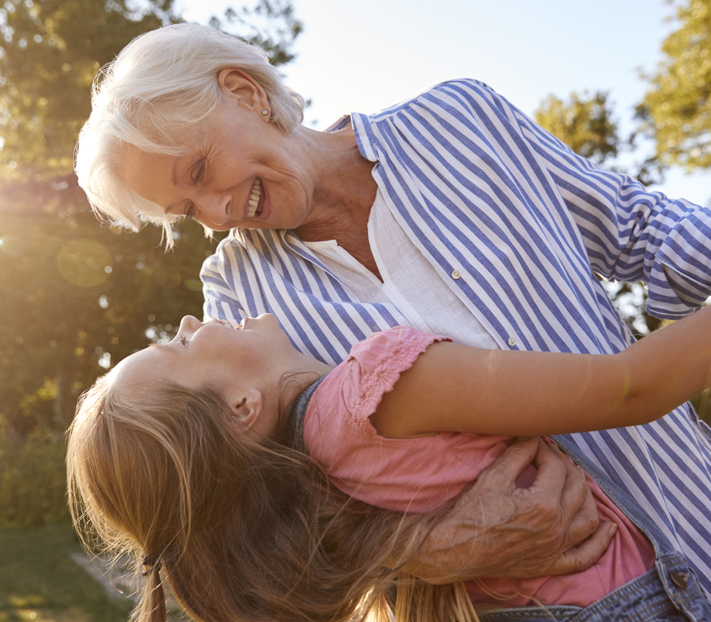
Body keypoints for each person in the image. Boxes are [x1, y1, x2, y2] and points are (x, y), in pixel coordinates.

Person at [74, 22, 711, 597]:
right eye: (188, 211)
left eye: (199, 170)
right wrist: (419, 552)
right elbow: (270, 515)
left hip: (691, 507)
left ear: (245, 93)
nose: (216, 213)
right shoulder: (240, 301)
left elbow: (643, 231)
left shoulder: (460, 120)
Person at [67, 310, 711, 622]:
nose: (190, 319)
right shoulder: (379, 384)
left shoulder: (315, 483)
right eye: (180, 343)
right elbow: (631, 387)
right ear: (241, 406)